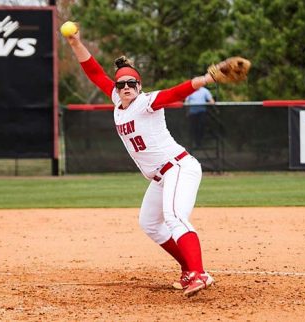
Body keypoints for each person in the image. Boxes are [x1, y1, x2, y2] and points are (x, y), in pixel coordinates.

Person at [64, 30, 216, 297]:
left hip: (178, 167)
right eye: (121, 84)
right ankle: (187, 268)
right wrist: (76, 42)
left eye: (131, 84)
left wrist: (204, 79)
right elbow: (94, 72)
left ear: (139, 87)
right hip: (160, 176)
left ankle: (199, 273)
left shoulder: (146, 103)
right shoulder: (116, 100)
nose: (125, 88)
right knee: (150, 223)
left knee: (175, 217)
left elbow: (174, 93)